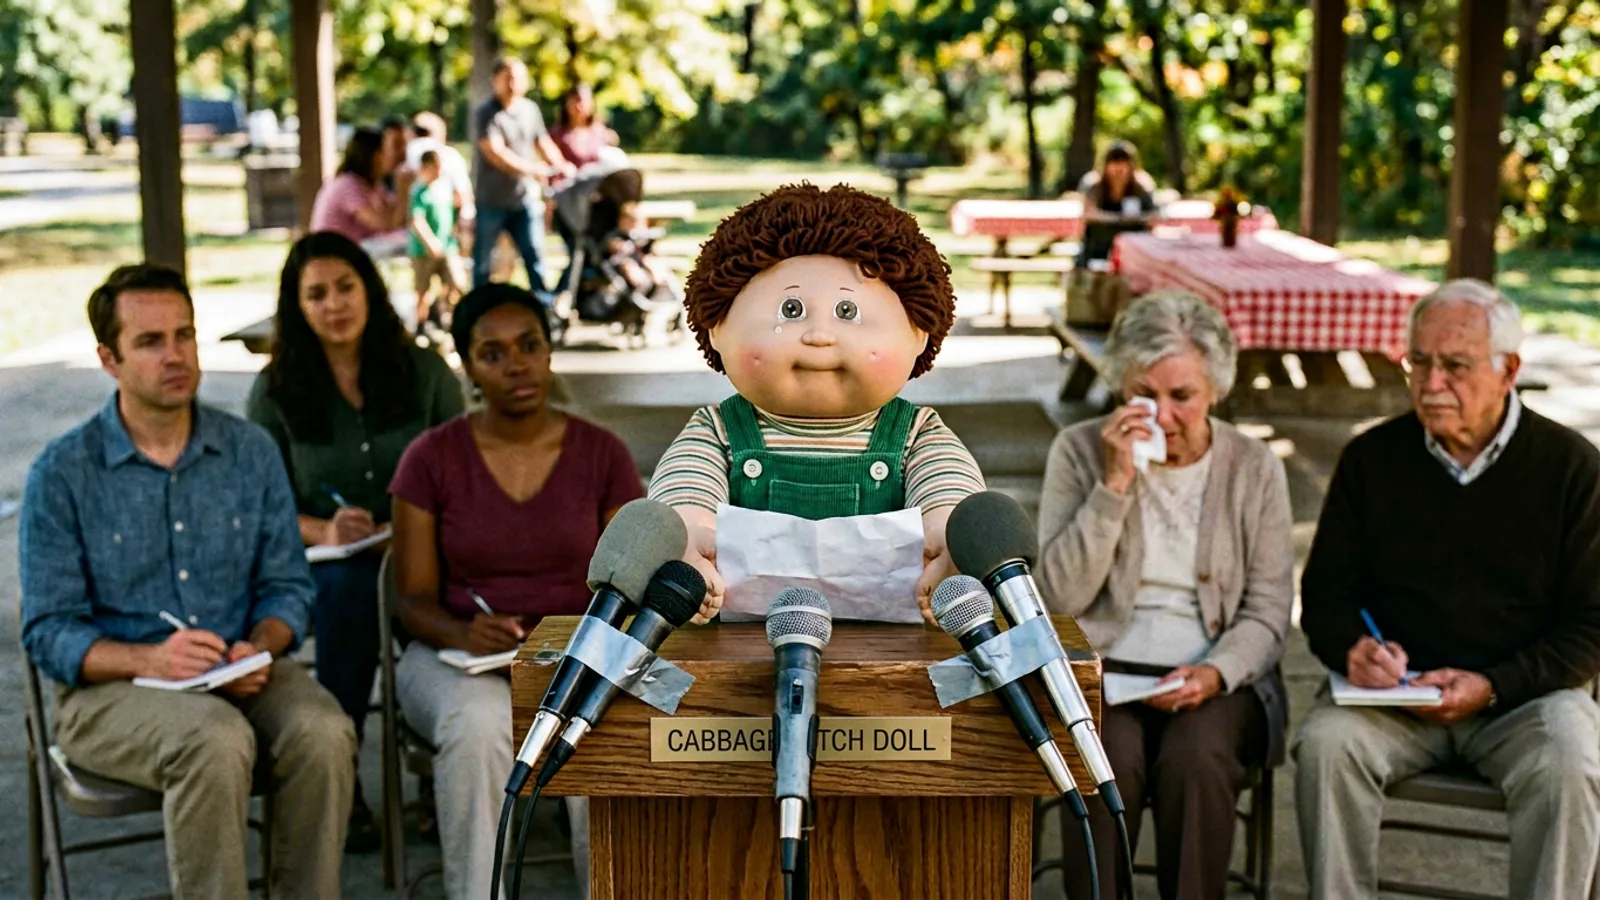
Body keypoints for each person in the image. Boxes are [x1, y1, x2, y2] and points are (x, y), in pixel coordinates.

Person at [19, 263, 355, 899]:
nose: (175, 356)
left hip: (239, 665)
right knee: (213, 737)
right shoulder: (62, 473)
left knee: (324, 730)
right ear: (109, 359)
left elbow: (289, 586)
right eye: (150, 342)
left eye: (185, 335)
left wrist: (263, 642)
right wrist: (151, 659)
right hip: (110, 690)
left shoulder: (249, 450)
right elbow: (48, 631)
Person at [1294, 279, 1600, 900]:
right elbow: (1325, 591)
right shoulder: (1371, 459)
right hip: (1394, 701)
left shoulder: (1571, 468)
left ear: (1508, 369)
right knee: (1325, 747)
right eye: (1419, 362)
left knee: (1572, 759)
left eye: (1455, 366)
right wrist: (1353, 648)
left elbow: (1592, 627)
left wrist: (1493, 685)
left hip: (1524, 699)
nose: (1431, 384)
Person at [1035, 290, 1293, 900]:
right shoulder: (1078, 450)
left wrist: (1216, 672)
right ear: (1119, 387)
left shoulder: (1254, 466)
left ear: (1216, 391)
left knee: (1197, 761)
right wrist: (1114, 483)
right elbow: (1058, 596)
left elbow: (1268, 609)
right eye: (1142, 395)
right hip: (1105, 671)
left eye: (1183, 396)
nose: (1163, 415)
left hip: (1216, 672)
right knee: (1105, 765)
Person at [390, 282, 644, 900]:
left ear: (550, 349)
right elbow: (412, 600)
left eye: (529, 345)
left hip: (578, 653)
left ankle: (606, 888)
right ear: (468, 365)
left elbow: (636, 583)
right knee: (479, 724)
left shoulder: (602, 454)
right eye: (493, 353)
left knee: (598, 713)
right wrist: (462, 632)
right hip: (457, 660)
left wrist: (581, 644)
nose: (515, 365)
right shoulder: (430, 459)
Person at [650, 183, 985, 624]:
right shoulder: (718, 430)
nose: (819, 335)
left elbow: (949, 488)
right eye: (791, 310)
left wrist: (946, 535)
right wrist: (691, 536)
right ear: (718, 327)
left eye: (848, 313)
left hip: (889, 652)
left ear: (918, 333)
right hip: (740, 650)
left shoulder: (917, 433)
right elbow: (686, 488)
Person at [245, 232, 465, 854]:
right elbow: (259, 504)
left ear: (369, 289)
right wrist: (324, 529)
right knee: (347, 594)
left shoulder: (423, 370)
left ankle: (439, 775)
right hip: (328, 567)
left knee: (438, 592)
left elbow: (466, 473)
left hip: (428, 551)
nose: (334, 304)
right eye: (316, 294)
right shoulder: (275, 389)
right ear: (297, 306)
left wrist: (412, 526)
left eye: (345, 286)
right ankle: (340, 780)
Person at [472, 57, 577, 300]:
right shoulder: (486, 114)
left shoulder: (529, 109)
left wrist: (560, 165)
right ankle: (479, 306)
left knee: (535, 256)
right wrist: (534, 170)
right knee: (483, 262)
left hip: (524, 200)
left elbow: (542, 141)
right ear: (494, 81)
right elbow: (495, 152)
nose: (512, 84)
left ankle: (544, 306)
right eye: (507, 78)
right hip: (491, 201)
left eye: (517, 78)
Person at [310, 126, 409, 259]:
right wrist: (403, 191)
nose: (394, 156)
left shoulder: (372, 184)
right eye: (387, 151)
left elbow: (397, 219)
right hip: (332, 255)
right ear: (373, 155)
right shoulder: (348, 185)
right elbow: (386, 224)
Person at [409, 150, 467, 334]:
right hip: (423, 251)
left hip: (447, 247)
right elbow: (416, 220)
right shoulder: (419, 192)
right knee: (422, 290)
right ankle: (421, 323)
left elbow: (455, 211)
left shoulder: (444, 188)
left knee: (456, 282)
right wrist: (430, 242)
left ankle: (445, 315)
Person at [1077, 141, 1158, 265]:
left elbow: (1153, 218)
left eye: (1124, 162)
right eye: (1114, 162)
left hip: (1134, 250)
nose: (1119, 168)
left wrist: (1111, 218)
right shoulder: (1094, 185)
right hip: (1098, 249)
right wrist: (1122, 219)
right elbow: (1088, 215)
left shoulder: (1142, 186)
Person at [548, 83, 620, 170]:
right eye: (575, 101)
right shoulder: (558, 134)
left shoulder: (600, 131)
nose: (578, 106)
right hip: (572, 181)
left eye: (583, 101)